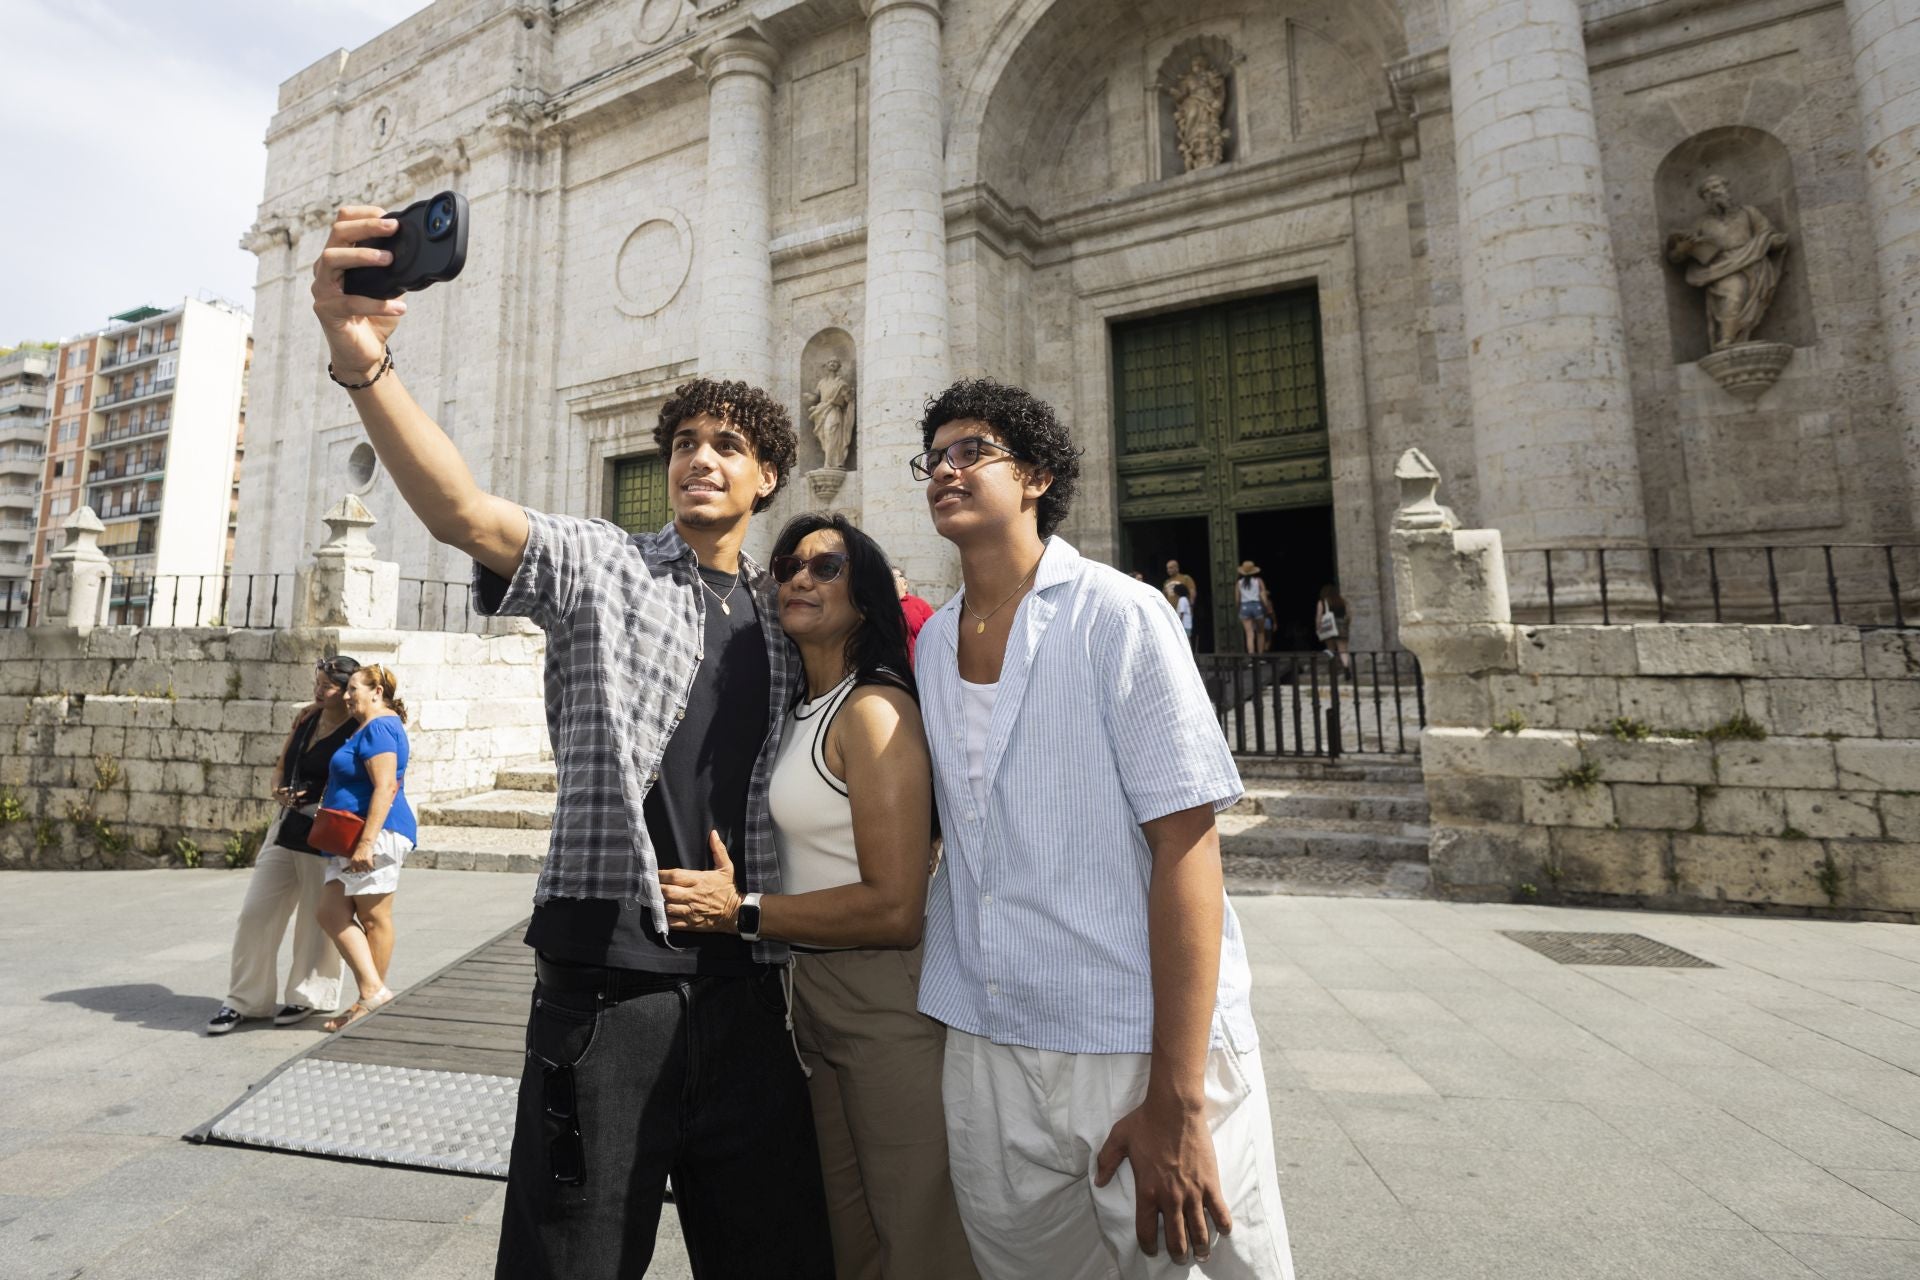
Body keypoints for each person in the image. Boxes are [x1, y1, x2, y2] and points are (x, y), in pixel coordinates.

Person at [309, 203, 831, 1280]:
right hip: (605, 987)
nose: (700, 459)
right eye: (684, 442)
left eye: (727, 446)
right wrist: (365, 366)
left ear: (767, 477)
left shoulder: (791, 622)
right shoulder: (602, 566)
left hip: (749, 995)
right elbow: (460, 509)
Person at [911, 379, 1294, 1279]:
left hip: (1128, 1037)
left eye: (973, 451)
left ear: (1037, 475)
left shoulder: (1120, 616)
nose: (945, 469)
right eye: (934, 456)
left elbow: (1187, 847)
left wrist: (1179, 1099)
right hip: (988, 1040)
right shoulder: (931, 645)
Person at [661, 512, 977, 1280]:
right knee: (847, 1239)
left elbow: (896, 908)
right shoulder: (800, 712)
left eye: (825, 568)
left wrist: (741, 912)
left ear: (865, 598)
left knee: (918, 1234)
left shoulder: (875, 711)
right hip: (809, 999)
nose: (799, 577)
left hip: (883, 999)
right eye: (787, 566)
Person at [205, 655, 360, 1035]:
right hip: (286, 827)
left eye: (328, 685)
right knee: (255, 913)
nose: (319, 690)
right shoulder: (307, 718)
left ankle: (309, 995)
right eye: (317, 682)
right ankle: (244, 999)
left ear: (347, 691)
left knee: (315, 919)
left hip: (325, 835)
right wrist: (278, 789)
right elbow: (282, 764)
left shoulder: (359, 727)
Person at [314, 664, 416, 1031]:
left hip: (376, 835)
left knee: (374, 918)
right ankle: (371, 993)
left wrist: (367, 843)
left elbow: (386, 786)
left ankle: (370, 1000)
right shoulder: (368, 726)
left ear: (377, 691)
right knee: (330, 911)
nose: (346, 695)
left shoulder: (381, 727)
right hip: (352, 838)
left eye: (353, 688)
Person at [894, 563, 935, 663]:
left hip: (918, 666)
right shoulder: (880, 607)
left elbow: (935, 635)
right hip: (890, 669)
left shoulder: (920, 605)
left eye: (894, 577)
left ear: (905, 584)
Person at [1236, 561, 1273, 656]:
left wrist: (1238, 610)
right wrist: (1266, 608)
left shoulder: (1239, 583)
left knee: (1249, 634)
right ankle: (1260, 657)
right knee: (1260, 632)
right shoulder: (1259, 581)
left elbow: (1237, 599)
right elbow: (1263, 595)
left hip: (1244, 607)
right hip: (1257, 606)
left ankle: (1251, 657)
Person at [1315, 584, 1350, 674]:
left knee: (1330, 649)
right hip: (1342, 626)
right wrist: (1346, 624)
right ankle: (1346, 667)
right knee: (1343, 650)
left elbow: (1319, 616)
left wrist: (1318, 628)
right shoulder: (1342, 601)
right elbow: (1349, 615)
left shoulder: (1322, 602)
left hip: (1328, 626)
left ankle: (1334, 669)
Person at [1172, 582, 1196, 653]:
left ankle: (1188, 653)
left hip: (1184, 623)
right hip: (1187, 623)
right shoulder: (1185, 599)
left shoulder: (1182, 599)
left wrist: (1178, 622)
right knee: (1188, 638)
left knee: (1186, 639)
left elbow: (1181, 613)